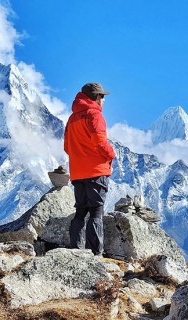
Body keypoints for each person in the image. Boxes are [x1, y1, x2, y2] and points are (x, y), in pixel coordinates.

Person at [64, 82, 116, 256]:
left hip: (78, 173)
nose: (103, 100)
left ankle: (76, 250)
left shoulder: (72, 119)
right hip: (96, 171)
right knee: (96, 211)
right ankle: (95, 253)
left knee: (80, 211)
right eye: (101, 96)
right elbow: (100, 142)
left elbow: (67, 147)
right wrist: (111, 155)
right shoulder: (95, 115)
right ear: (96, 97)